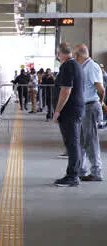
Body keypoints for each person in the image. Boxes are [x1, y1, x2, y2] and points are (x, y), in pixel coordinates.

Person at [53, 42, 85, 187]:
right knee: (74, 143)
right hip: (75, 109)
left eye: (58, 55)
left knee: (72, 143)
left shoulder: (67, 66)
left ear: (60, 54)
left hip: (69, 111)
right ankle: (74, 173)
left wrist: (57, 110)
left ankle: (72, 176)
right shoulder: (77, 65)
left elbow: (66, 90)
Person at [73, 44, 105, 181]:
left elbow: (100, 89)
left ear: (78, 55)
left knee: (90, 141)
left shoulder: (91, 67)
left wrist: (100, 102)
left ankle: (96, 172)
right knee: (81, 140)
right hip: (84, 107)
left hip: (90, 107)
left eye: (75, 54)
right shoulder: (84, 67)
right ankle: (80, 170)